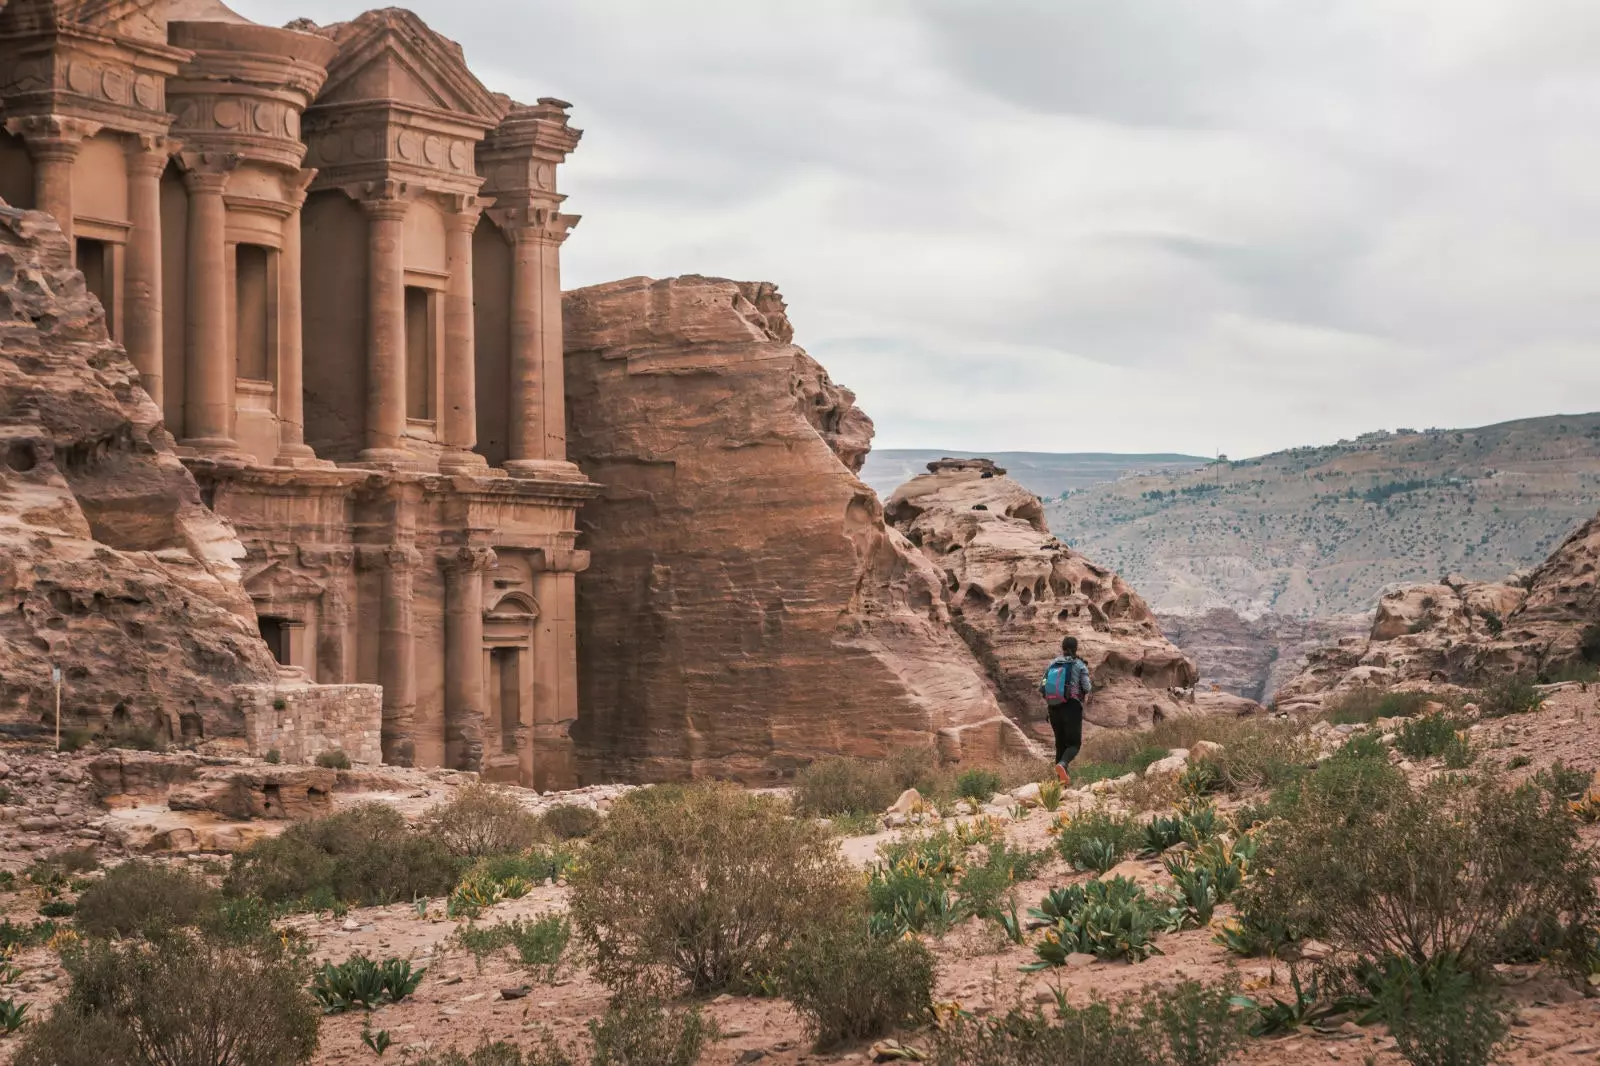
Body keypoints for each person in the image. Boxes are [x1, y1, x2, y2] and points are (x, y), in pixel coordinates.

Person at [1038, 636, 1092, 785]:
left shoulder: (1052, 664)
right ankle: (1063, 765)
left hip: (1054, 708)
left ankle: (1060, 784)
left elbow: (1042, 686)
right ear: (1076, 648)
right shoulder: (1079, 665)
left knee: (1060, 744)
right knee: (1074, 744)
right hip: (1071, 707)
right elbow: (1087, 687)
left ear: (1062, 648)